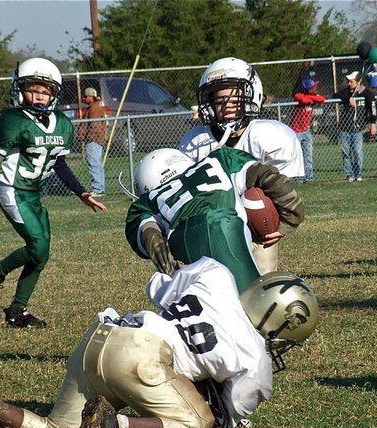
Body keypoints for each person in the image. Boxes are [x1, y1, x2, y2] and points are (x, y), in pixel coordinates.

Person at [0, 257, 319, 428]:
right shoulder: (256, 360)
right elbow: (224, 424)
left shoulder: (216, 273)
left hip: (101, 337)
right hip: (142, 360)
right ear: (282, 323)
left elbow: (158, 287)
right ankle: (115, 426)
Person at [0, 58, 107, 328]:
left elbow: (59, 163)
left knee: (40, 254)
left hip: (33, 194)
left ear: (54, 94)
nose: (39, 96)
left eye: (45, 91)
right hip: (12, 190)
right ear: (20, 90)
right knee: (38, 246)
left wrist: (81, 192)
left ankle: (17, 311)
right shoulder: (12, 120)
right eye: (33, 89)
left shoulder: (61, 123)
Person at [179, 57, 304, 274]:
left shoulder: (268, 135)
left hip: (257, 228)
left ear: (250, 94)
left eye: (233, 98)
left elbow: (280, 191)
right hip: (213, 225)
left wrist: (281, 220)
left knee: (260, 284)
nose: (226, 106)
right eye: (219, 100)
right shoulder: (196, 142)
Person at [125, 147, 305, 294]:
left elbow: (146, 232)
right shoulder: (222, 158)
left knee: (199, 312)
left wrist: (154, 239)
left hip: (184, 240)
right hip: (225, 224)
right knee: (253, 306)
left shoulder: (145, 202)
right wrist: (292, 217)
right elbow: (268, 176)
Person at [331, 71, 377, 182]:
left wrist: (373, 125)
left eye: (351, 81)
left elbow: (373, 109)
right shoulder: (346, 92)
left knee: (358, 153)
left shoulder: (367, 93)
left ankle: (358, 173)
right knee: (346, 153)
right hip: (344, 129)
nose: (349, 83)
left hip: (358, 130)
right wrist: (348, 98)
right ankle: (350, 174)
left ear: (358, 82)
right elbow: (335, 95)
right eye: (348, 81)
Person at [289, 79, 326, 183]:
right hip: (295, 131)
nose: (316, 88)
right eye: (314, 87)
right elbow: (303, 100)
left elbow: (322, 99)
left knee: (308, 156)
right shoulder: (299, 95)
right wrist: (310, 98)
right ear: (308, 89)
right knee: (297, 156)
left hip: (306, 131)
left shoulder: (314, 96)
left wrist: (311, 98)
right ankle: (298, 178)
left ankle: (309, 178)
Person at [75, 86, 107, 196]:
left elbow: (95, 126)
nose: (83, 98)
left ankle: (97, 189)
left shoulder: (95, 109)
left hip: (94, 140)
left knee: (94, 163)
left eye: (85, 96)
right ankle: (100, 188)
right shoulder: (92, 108)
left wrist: (87, 136)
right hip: (95, 140)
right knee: (96, 163)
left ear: (91, 97)